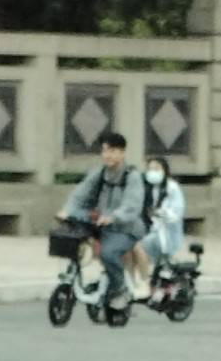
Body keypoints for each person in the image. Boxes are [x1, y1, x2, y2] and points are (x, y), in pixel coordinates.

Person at [56, 132, 144, 310]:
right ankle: (74, 278)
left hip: (125, 228)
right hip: (101, 224)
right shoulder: (99, 174)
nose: (107, 155)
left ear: (122, 153)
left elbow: (132, 206)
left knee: (108, 253)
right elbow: (80, 195)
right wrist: (67, 211)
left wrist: (114, 217)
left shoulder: (132, 177)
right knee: (70, 240)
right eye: (104, 151)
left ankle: (120, 289)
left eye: (112, 151)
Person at [129, 157, 185, 304]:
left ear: (165, 170)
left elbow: (177, 212)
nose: (153, 172)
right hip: (149, 228)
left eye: (157, 169)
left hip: (166, 232)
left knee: (139, 247)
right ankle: (132, 283)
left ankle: (145, 284)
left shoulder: (172, 188)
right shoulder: (145, 187)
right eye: (150, 169)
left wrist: (162, 213)